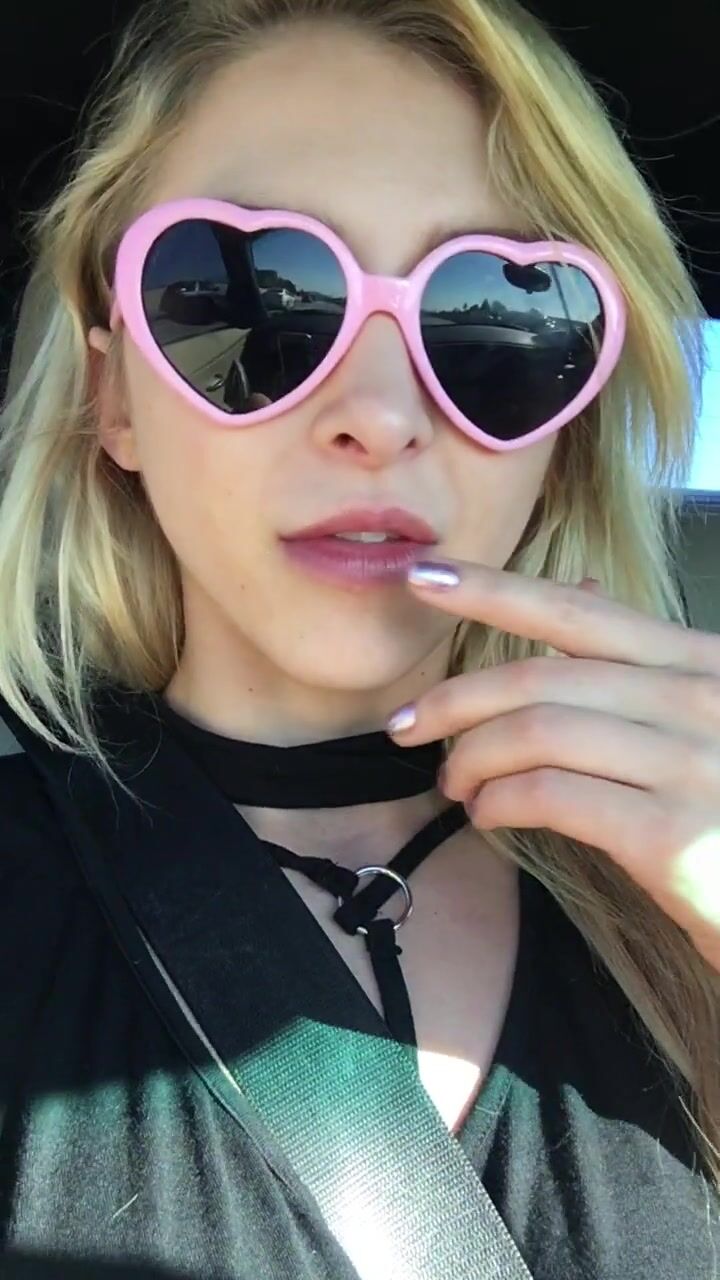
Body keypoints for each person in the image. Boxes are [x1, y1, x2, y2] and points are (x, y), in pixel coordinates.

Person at [0, 0, 719, 1276]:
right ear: (115, 397)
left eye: (495, 322)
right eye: (250, 300)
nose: (381, 415)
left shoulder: (680, 890)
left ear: (561, 434)